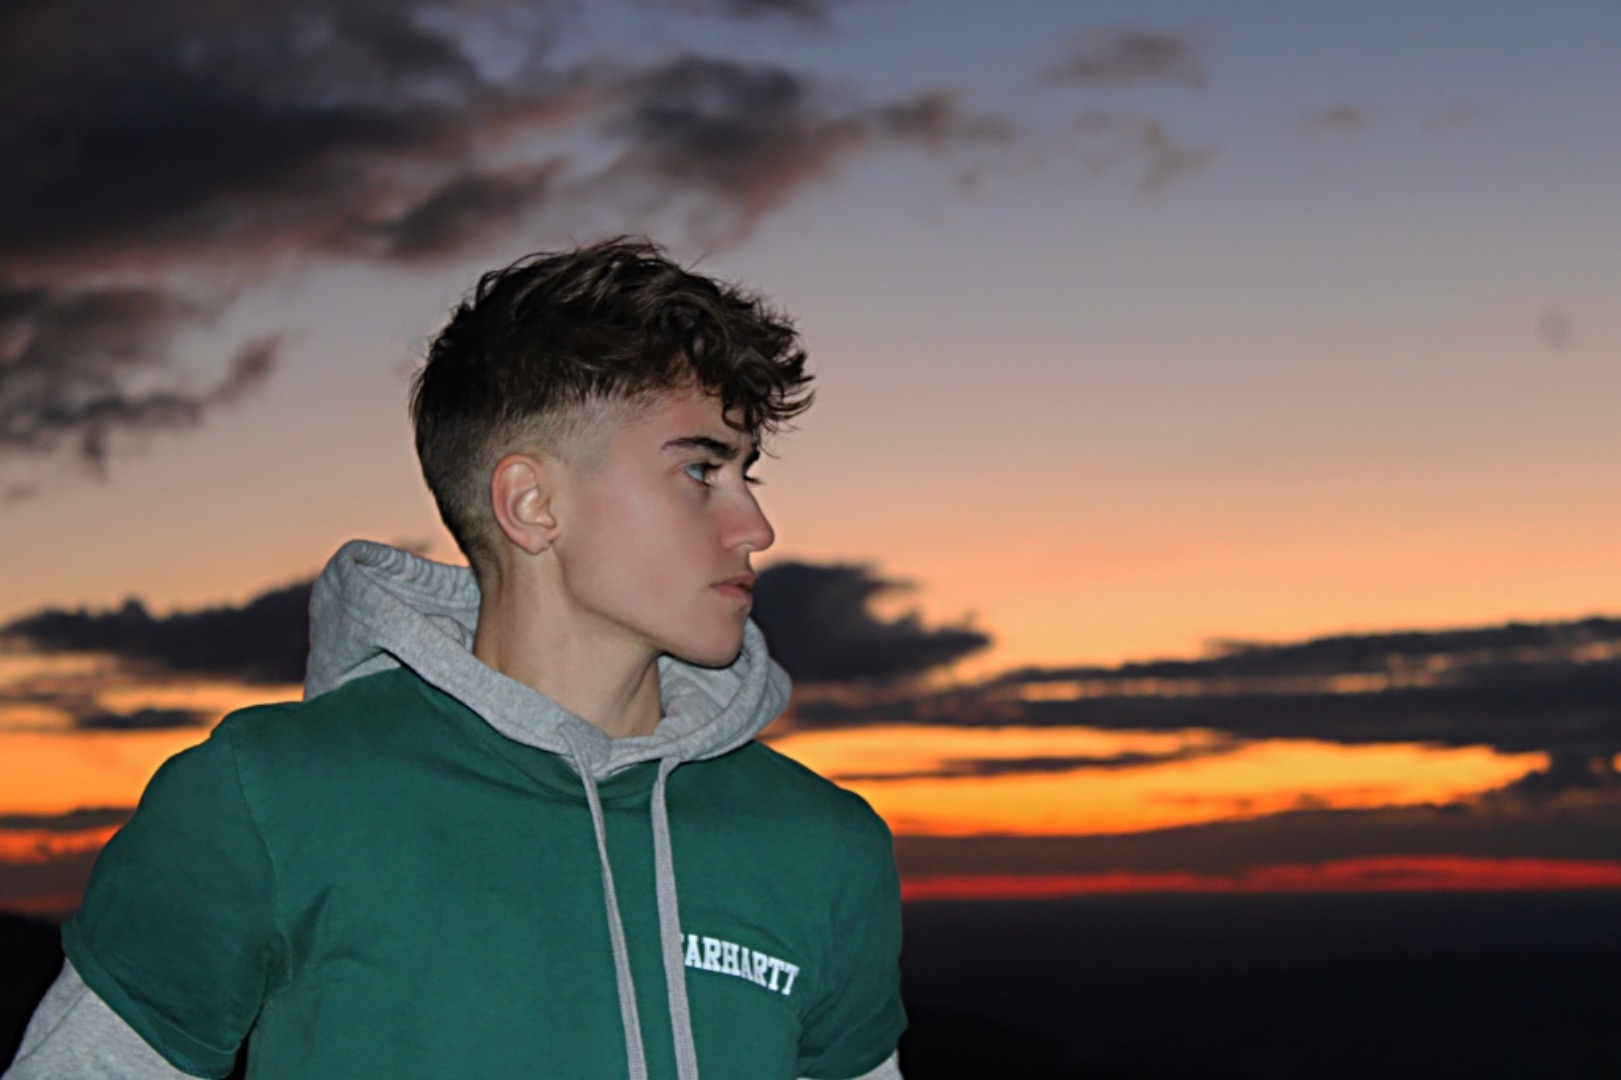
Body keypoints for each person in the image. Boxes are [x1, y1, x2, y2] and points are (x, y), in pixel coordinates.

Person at [5, 237, 907, 1079]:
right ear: (532, 504)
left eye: (749, 474)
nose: (755, 526)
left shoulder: (822, 844)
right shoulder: (269, 798)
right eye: (701, 471)